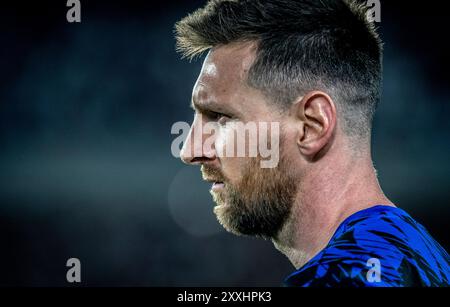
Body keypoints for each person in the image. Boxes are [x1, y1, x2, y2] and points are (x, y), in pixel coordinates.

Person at [175, 0, 450, 286]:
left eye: (219, 116)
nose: (190, 150)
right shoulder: (419, 255)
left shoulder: (343, 278)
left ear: (312, 126)